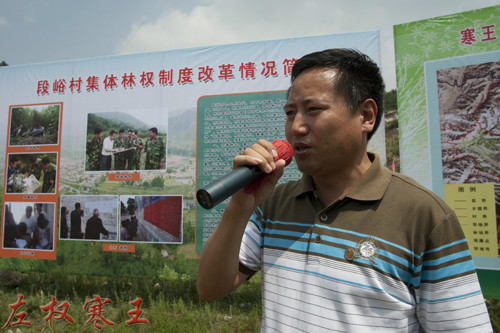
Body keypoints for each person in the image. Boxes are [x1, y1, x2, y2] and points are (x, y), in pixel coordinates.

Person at [197, 49, 492, 332]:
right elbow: (210, 289)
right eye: (290, 113)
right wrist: (240, 206)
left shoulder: (423, 215)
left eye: (313, 110)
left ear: (366, 116)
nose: (296, 127)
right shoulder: (274, 202)